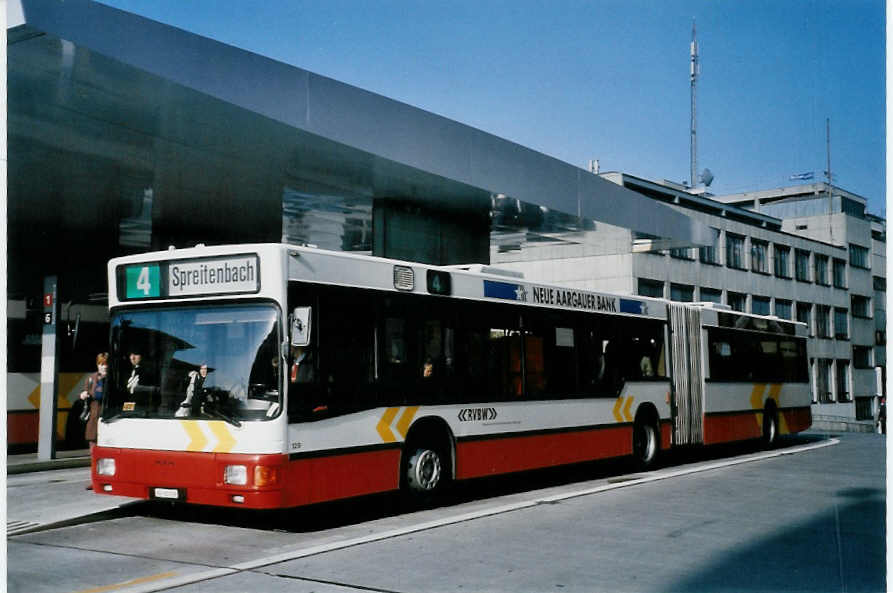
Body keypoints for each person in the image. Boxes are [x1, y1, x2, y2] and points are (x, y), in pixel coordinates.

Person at [79, 352, 108, 489]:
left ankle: (106, 478)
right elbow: (86, 393)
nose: (104, 367)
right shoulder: (91, 379)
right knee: (93, 451)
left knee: (107, 451)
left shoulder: (113, 379)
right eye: (102, 364)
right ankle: (95, 480)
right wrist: (83, 394)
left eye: (106, 364)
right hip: (94, 420)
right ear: (98, 365)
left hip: (108, 420)